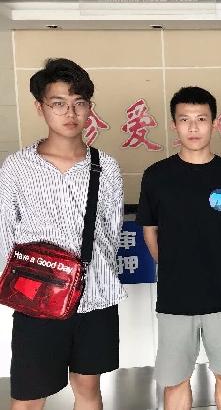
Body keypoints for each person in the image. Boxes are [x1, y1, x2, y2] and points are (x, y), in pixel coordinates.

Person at [0, 58, 126, 410]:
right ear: (40, 107)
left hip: (95, 297)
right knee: (28, 397)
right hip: (37, 300)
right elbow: (4, 234)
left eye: (79, 103)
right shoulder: (17, 167)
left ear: (89, 108)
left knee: (88, 390)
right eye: (58, 103)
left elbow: (111, 233)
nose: (70, 113)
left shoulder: (105, 166)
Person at [137, 87, 221, 410]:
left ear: (214, 124)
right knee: (175, 380)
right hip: (175, 297)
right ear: (174, 125)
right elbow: (150, 231)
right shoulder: (156, 176)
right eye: (184, 119)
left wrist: (218, 259)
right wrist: (174, 266)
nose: (193, 127)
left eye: (201, 119)